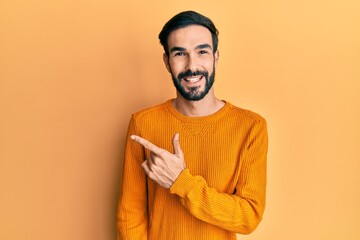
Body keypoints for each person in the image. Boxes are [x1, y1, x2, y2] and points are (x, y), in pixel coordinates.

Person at [117, 10, 268, 240]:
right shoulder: (143, 123)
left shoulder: (251, 127)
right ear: (167, 61)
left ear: (216, 57)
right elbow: (130, 215)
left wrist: (183, 183)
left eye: (202, 52)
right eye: (180, 54)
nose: (192, 65)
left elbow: (249, 217)